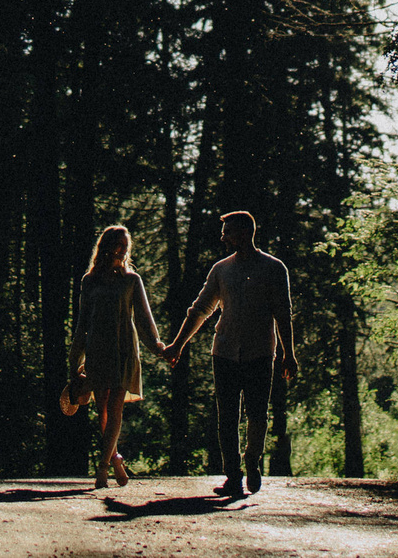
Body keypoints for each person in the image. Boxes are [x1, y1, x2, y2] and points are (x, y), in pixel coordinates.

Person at [161, 209, 299, 496]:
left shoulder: (274, 269)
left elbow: (283, 314)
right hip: (224, 351)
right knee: (227, 416)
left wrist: (289, 354)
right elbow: (200, 309)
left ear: (245, 233)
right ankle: (233, 475)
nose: (223, 239)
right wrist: (178, 344)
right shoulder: (221, 269)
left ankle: (252, 461)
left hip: (260, 352)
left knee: (257, 414)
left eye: (228, 233)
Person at [71, 223, 163, 489]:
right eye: (118, 244)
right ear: (106, 246)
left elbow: (145, 319)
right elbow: (82, 323)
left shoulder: (132, 280)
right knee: (102, 410)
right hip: (97, 352)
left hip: (124, 351)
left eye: (126, 245)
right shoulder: (90, 281)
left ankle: (101, 468)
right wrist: (74, 360)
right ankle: (116, 459)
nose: (122, 249)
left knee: (115, 408)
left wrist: (157, 346)